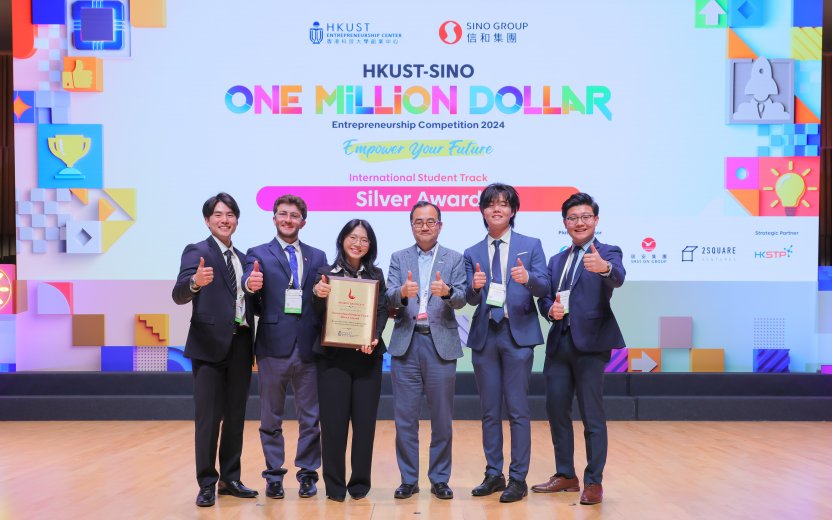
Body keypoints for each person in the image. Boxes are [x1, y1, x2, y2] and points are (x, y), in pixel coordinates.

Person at [531, 192, 626, 506]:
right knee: (556, 411)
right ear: (565, 223)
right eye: (573, 218)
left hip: (591, 345)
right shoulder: (557, 259)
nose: (579, 222)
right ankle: (566, 475)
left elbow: (618, 277)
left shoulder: (608, 252)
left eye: (586, 217)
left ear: (596, 221)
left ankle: (593, 481)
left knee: (592, 416)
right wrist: (549, 311)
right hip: (559, 344)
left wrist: (603, 268)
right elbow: (545, 296)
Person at [462, 183, 549, 503]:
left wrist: (529, 279)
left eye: (503, 204)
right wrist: (473, 287)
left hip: (518, 334)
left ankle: (518, 478)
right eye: (490, 204)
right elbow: (468, 298)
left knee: (517, 409)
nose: (496, 209)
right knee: (488, 410)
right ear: (483, 211)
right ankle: (493, 474)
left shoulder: (531, 244)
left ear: (513, 210)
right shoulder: (471, 252)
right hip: (486, 335)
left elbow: (544, 287)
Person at [172, 192, 258, 507]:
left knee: (235, 415)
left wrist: (254, 290)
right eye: (218, 214)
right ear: (208, 220)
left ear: (236, 219)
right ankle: (206, 482)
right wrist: (195, 281)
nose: (225, 220)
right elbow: (179, 294)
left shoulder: (244, 257)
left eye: (230, 214)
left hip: (241, 342)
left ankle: (230, 478)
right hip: (209, 347)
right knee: (209, 418)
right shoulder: (197, 251)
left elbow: (248, 300)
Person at [241, 194, 328, 500]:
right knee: (270, 417)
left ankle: (307, 474)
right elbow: (250, 293)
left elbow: (322, 302)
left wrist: (322, 294)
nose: (288, 219)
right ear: (274, 218)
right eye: (283, 214)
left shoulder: (317, 257)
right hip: (272, 346)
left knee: (310, 417)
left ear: (303, 220)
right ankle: (274, 475)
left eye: (294, 215)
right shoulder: (258, 254)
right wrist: (248, 286)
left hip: (309, 346)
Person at [386, 201, 467, 500]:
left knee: (442, 419)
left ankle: (439, 478)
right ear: (411, 225)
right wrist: (400, 293)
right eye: (418, 221)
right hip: (407, 343)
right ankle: (408, 479)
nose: (424, 226)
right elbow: (389, 296)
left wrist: (447, 292)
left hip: (440, 346)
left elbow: (462, 299)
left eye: (430, 221)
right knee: (405, 419)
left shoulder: (454, 259)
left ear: (440, 225)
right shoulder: (399, 257)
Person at [311, 219, 389, 502]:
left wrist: (375, 336)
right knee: (332, 425)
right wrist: (318, 296)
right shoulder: (324, 274)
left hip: (367, 359)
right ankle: (334, 487)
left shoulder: (377, 275)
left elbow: (381, 312)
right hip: (332, 360)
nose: (358, 243)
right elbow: (316, 312)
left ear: (371, 245)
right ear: (342, 239)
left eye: (364, 239)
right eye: (353, 237)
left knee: (365, 425)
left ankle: (359, 484)